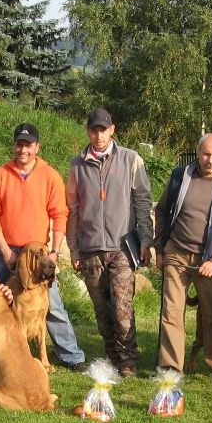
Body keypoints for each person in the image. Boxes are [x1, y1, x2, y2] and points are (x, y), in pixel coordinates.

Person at [0, 122, 86, 371]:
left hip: (38, 256)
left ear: (37, 147)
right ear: (14, 145)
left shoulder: (50, 176)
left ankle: (72, 357)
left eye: (28, 145)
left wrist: (53, 252)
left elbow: (60, 213)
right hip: (5, 252)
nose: (23, 150)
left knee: (53, 305)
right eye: (20, 144)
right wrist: (6, 252)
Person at [65, 108, 153, 377]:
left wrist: (146, 240)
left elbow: (142, 200)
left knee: (122, 307)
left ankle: (127, 360)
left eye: (103, 129)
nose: (98, 134)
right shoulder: (76, 165)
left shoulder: (130, 159)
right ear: (87, 131)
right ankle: (111, 355)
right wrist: (74, 247)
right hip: (90, 248)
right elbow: (73, 208)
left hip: (122, 247)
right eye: (93, 129)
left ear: (112, 130)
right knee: (102, 310)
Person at [153, 133, 212, 376]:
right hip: (176, 255)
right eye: (206, 154)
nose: (210, 160)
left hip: (209, 262)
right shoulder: (179, 177)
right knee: (171, 313)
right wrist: (160, 249)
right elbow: (161, 212)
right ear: (197, 151)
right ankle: (171, 367)